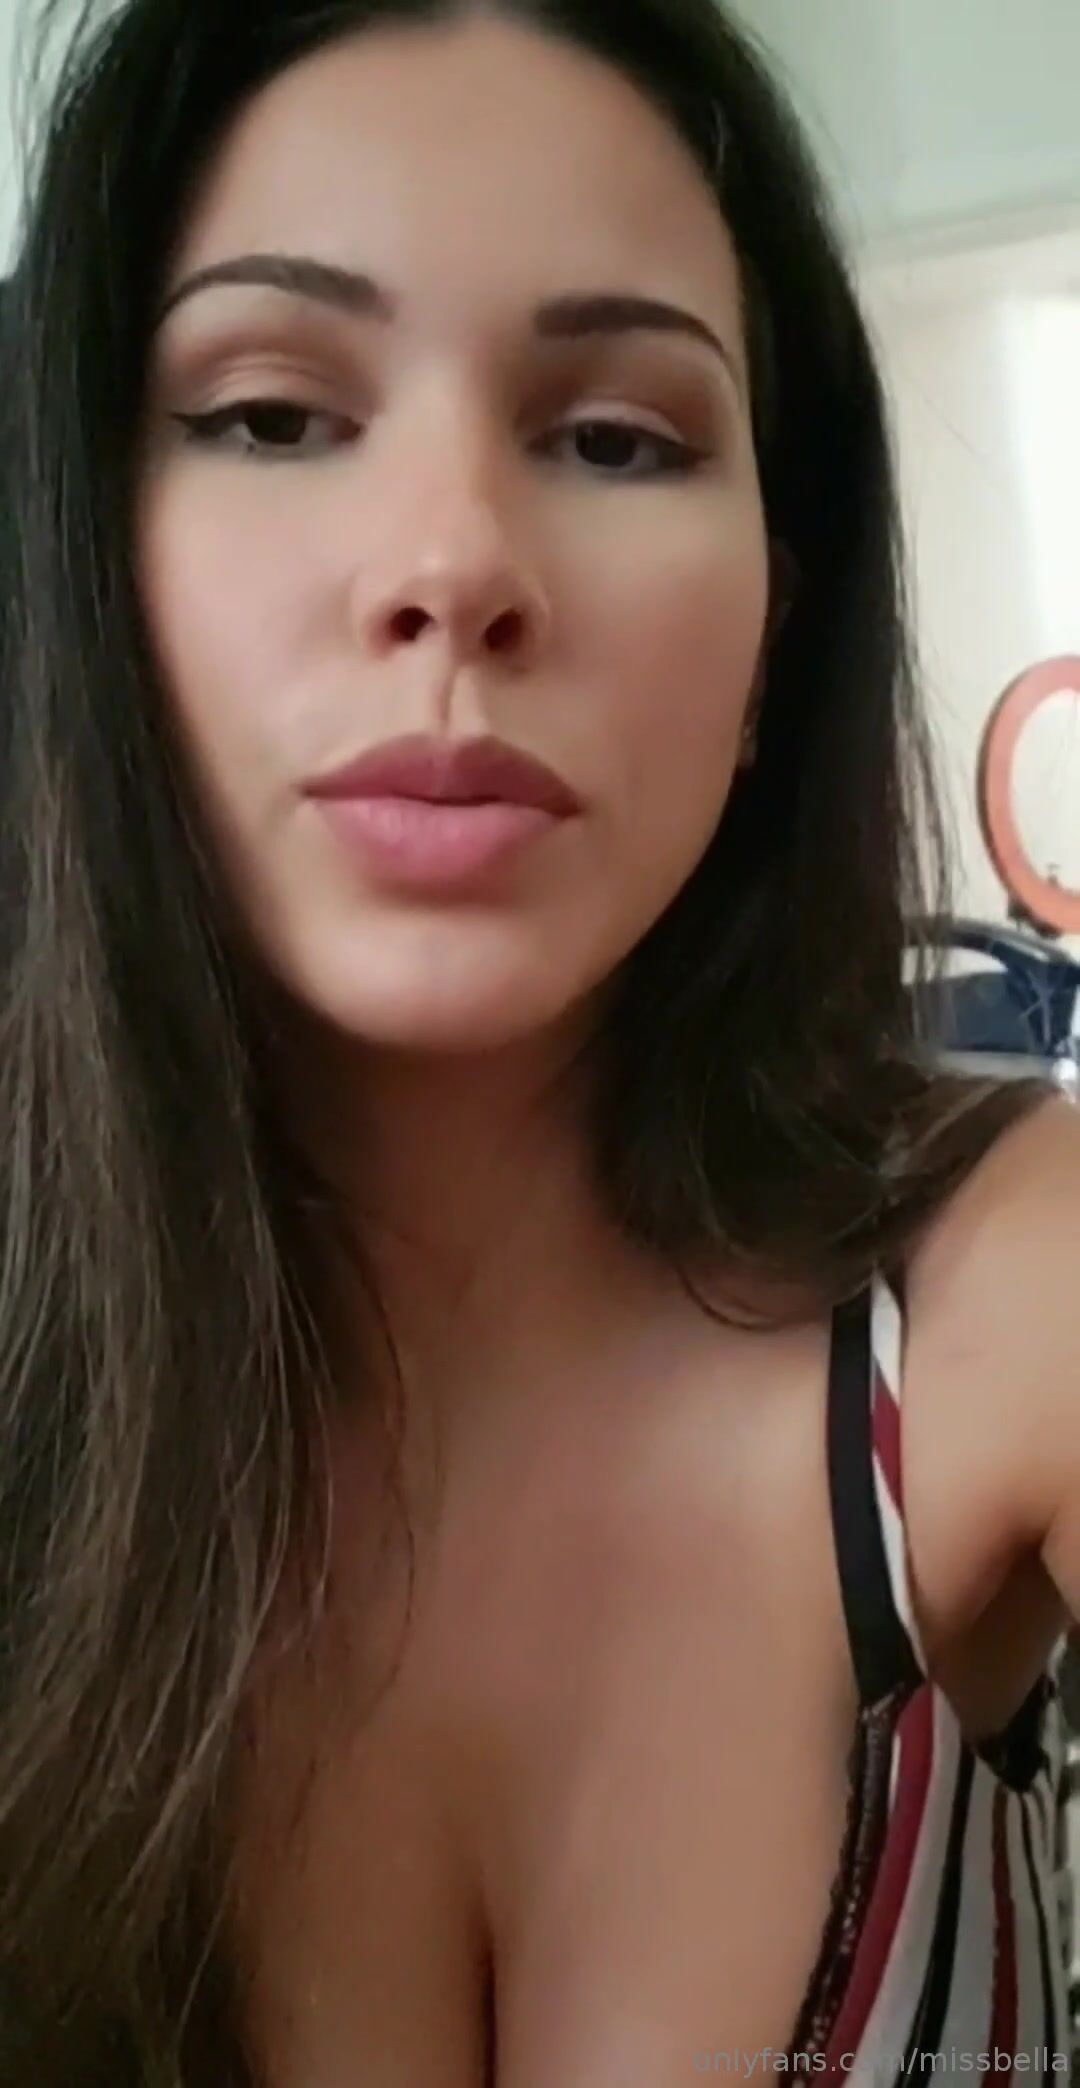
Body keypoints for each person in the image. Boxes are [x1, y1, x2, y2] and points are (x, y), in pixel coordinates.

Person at [1, 0, 1079, 2081]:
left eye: (615, 441)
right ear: (82, 571)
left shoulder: (1008, 1285)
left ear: (772, 635)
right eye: (271, 415)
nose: (454, 566)